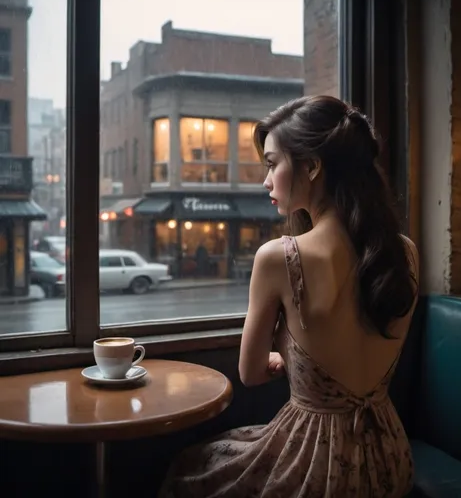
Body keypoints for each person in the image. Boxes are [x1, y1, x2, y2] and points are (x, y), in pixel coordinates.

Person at [159, 95, 419, 497]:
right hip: (388, 456)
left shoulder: (279, 257)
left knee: (190, 472)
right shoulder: (403, 252)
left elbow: (251, 373)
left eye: (271, 163)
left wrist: (288, 359)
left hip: (317, 460)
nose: (266, 180)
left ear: (313, 166)